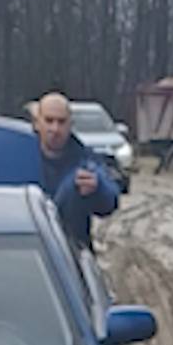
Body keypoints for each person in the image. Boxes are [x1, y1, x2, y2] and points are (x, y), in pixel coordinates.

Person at [30, 91, 119, 249]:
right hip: (29, 251)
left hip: (72, 254)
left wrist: (97, 188)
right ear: (37, 123)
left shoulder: (85, 162)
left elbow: (110, 201)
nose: (55, 129)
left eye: (61, 122)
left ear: (70, 124)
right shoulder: (20, 158)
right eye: (49, 121)